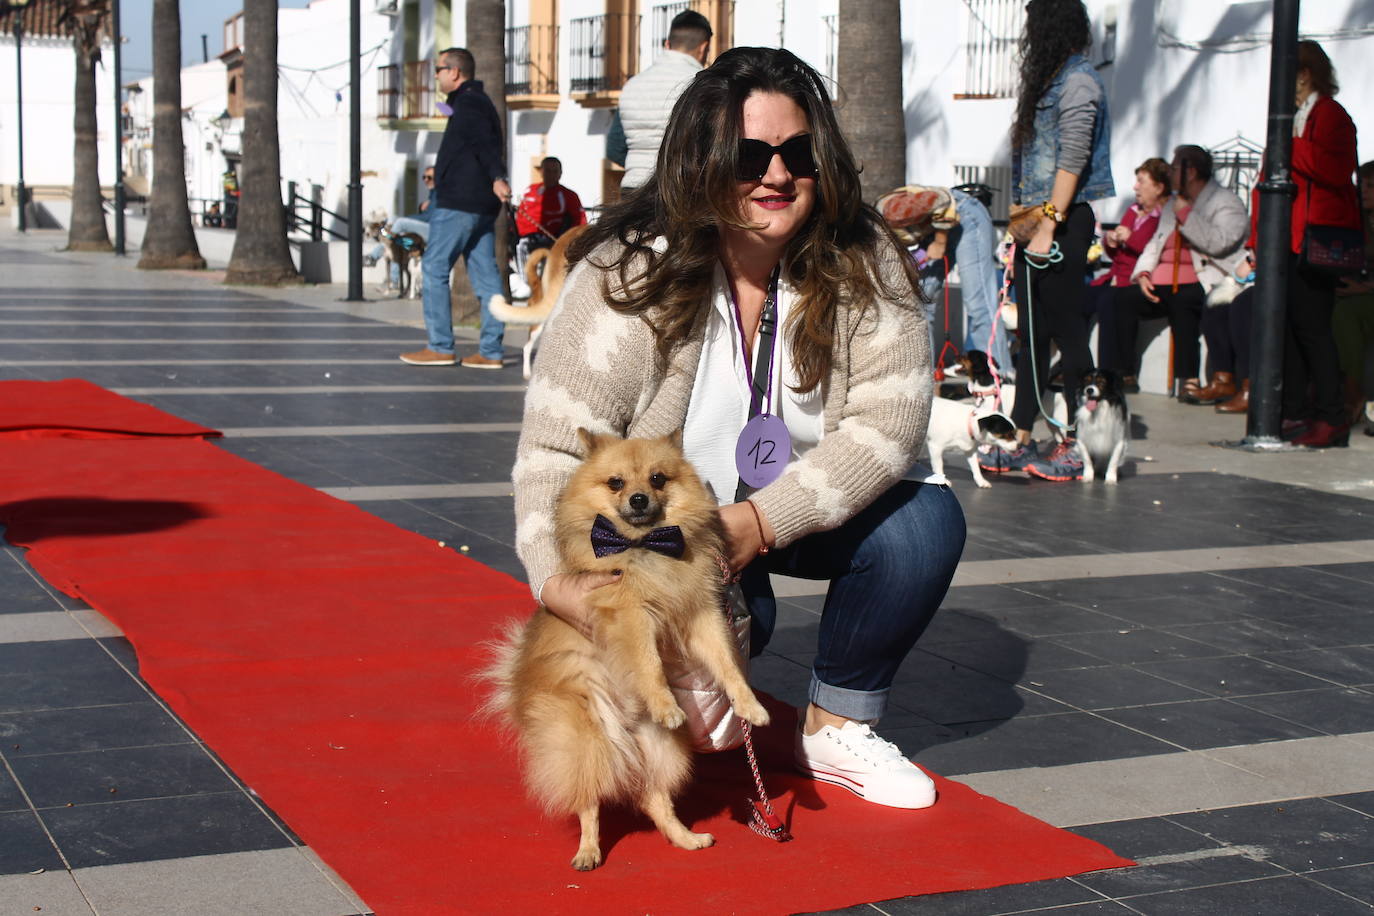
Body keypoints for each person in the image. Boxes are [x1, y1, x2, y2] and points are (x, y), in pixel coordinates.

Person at [513, 47, 965, 810]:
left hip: (796, 515)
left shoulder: (867, 259)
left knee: (924, 525)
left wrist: (761, 520)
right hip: (669, 534)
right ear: (703, 162)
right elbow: (553, 453)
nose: (778, 176)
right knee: (702, 705)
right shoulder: (625, 273)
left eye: (799, 154)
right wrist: (566, 590)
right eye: (750, 155)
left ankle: (837, 722)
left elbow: (891, 420)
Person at [986, 0, 1113, 483]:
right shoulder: (1054, 79)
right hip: (1036, 224)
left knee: (1068, 333)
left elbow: (1073, 159)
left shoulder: (1078, 81)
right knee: (1033, 338)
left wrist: (1048, 225)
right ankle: (1022, 434)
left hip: (1061, 223)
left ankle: (1078, 442)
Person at [1272, 40, 1361, 447]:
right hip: (1288, 241)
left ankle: (1331, 415)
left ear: (1305, 74)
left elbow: (1337, 170)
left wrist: (1291, 145)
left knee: (1313, 329)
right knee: (1289, 327)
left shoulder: (1331, 115)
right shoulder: (1294, 118)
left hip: (1317, 240)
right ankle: (1297, 410)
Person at [400, 48, 511, 369]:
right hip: (480, 207)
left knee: (434, 268)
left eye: (439, 69)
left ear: (455, 72)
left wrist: (497, 176)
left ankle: (440, 346)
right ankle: (490, 352)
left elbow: (483, 145)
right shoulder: (476, 102)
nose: (435, 75)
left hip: (459, 205)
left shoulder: (470, 103)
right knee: (487, 278)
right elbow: (483, 145)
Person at [1121, 145, 1249, 405]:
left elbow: (1217, 243)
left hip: (1208, 277)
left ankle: (1207, 379)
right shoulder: (1175, 204)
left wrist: (1185, 214)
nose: (1170, 172)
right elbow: (1155, 243)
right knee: (1117, 300)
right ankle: (1119, 374)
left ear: (1190, 172)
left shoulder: (1225, 202)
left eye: (1175, 166)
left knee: (1190, 302)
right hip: (1163, 279)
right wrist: (1143, 272)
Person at [616, 10, 712, 191]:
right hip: (677, 189)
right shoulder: (699, 84)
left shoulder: (632, 85)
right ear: (704, 48)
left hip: (633, 187)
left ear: (668, 44)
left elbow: (615, 145)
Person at [1094, 157, 1169, 387]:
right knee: (1081, 298)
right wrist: (1111, 241)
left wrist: (1129, 238)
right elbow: (1118, 254)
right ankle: (1070, 363)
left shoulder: (1163, 216)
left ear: (1158, 187)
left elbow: (1148, 248)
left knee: (1111, 302)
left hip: (1135, 280)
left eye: (1141, 181)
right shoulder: (1133, 211)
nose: (1135, 187)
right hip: (1116, 277)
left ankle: (1111, 371)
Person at [1332, 160, 1374, 435]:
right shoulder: (1356, 220)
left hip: (1368, 295)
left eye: (1371, 186)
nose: (1364, 192)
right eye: (1362, 185)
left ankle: (1354, 393)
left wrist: (1367, 287)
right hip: (1356, 291)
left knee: (1346, 313)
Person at [511, 156, 587, 296]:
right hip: (527, 237)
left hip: (553, 238)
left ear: (560, 173)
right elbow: (520, 215)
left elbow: (580, 220)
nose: (551, 175)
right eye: (547, 171)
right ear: (541, 172)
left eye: (554, 171)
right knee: (521, 245)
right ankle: (526, 283)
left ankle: (547, 286)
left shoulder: (568, 195)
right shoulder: (530, 191)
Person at [368, 166, 437, 290]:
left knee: (399, 223)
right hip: (427, 228)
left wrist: (408, 218)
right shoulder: (433, 193)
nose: (426, 180)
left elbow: (429, 217)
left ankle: (375, 255)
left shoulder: (438, 192)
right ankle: (393, 279)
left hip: (433, 231)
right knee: (394, 223)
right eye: (424, 177)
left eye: (430, 177)